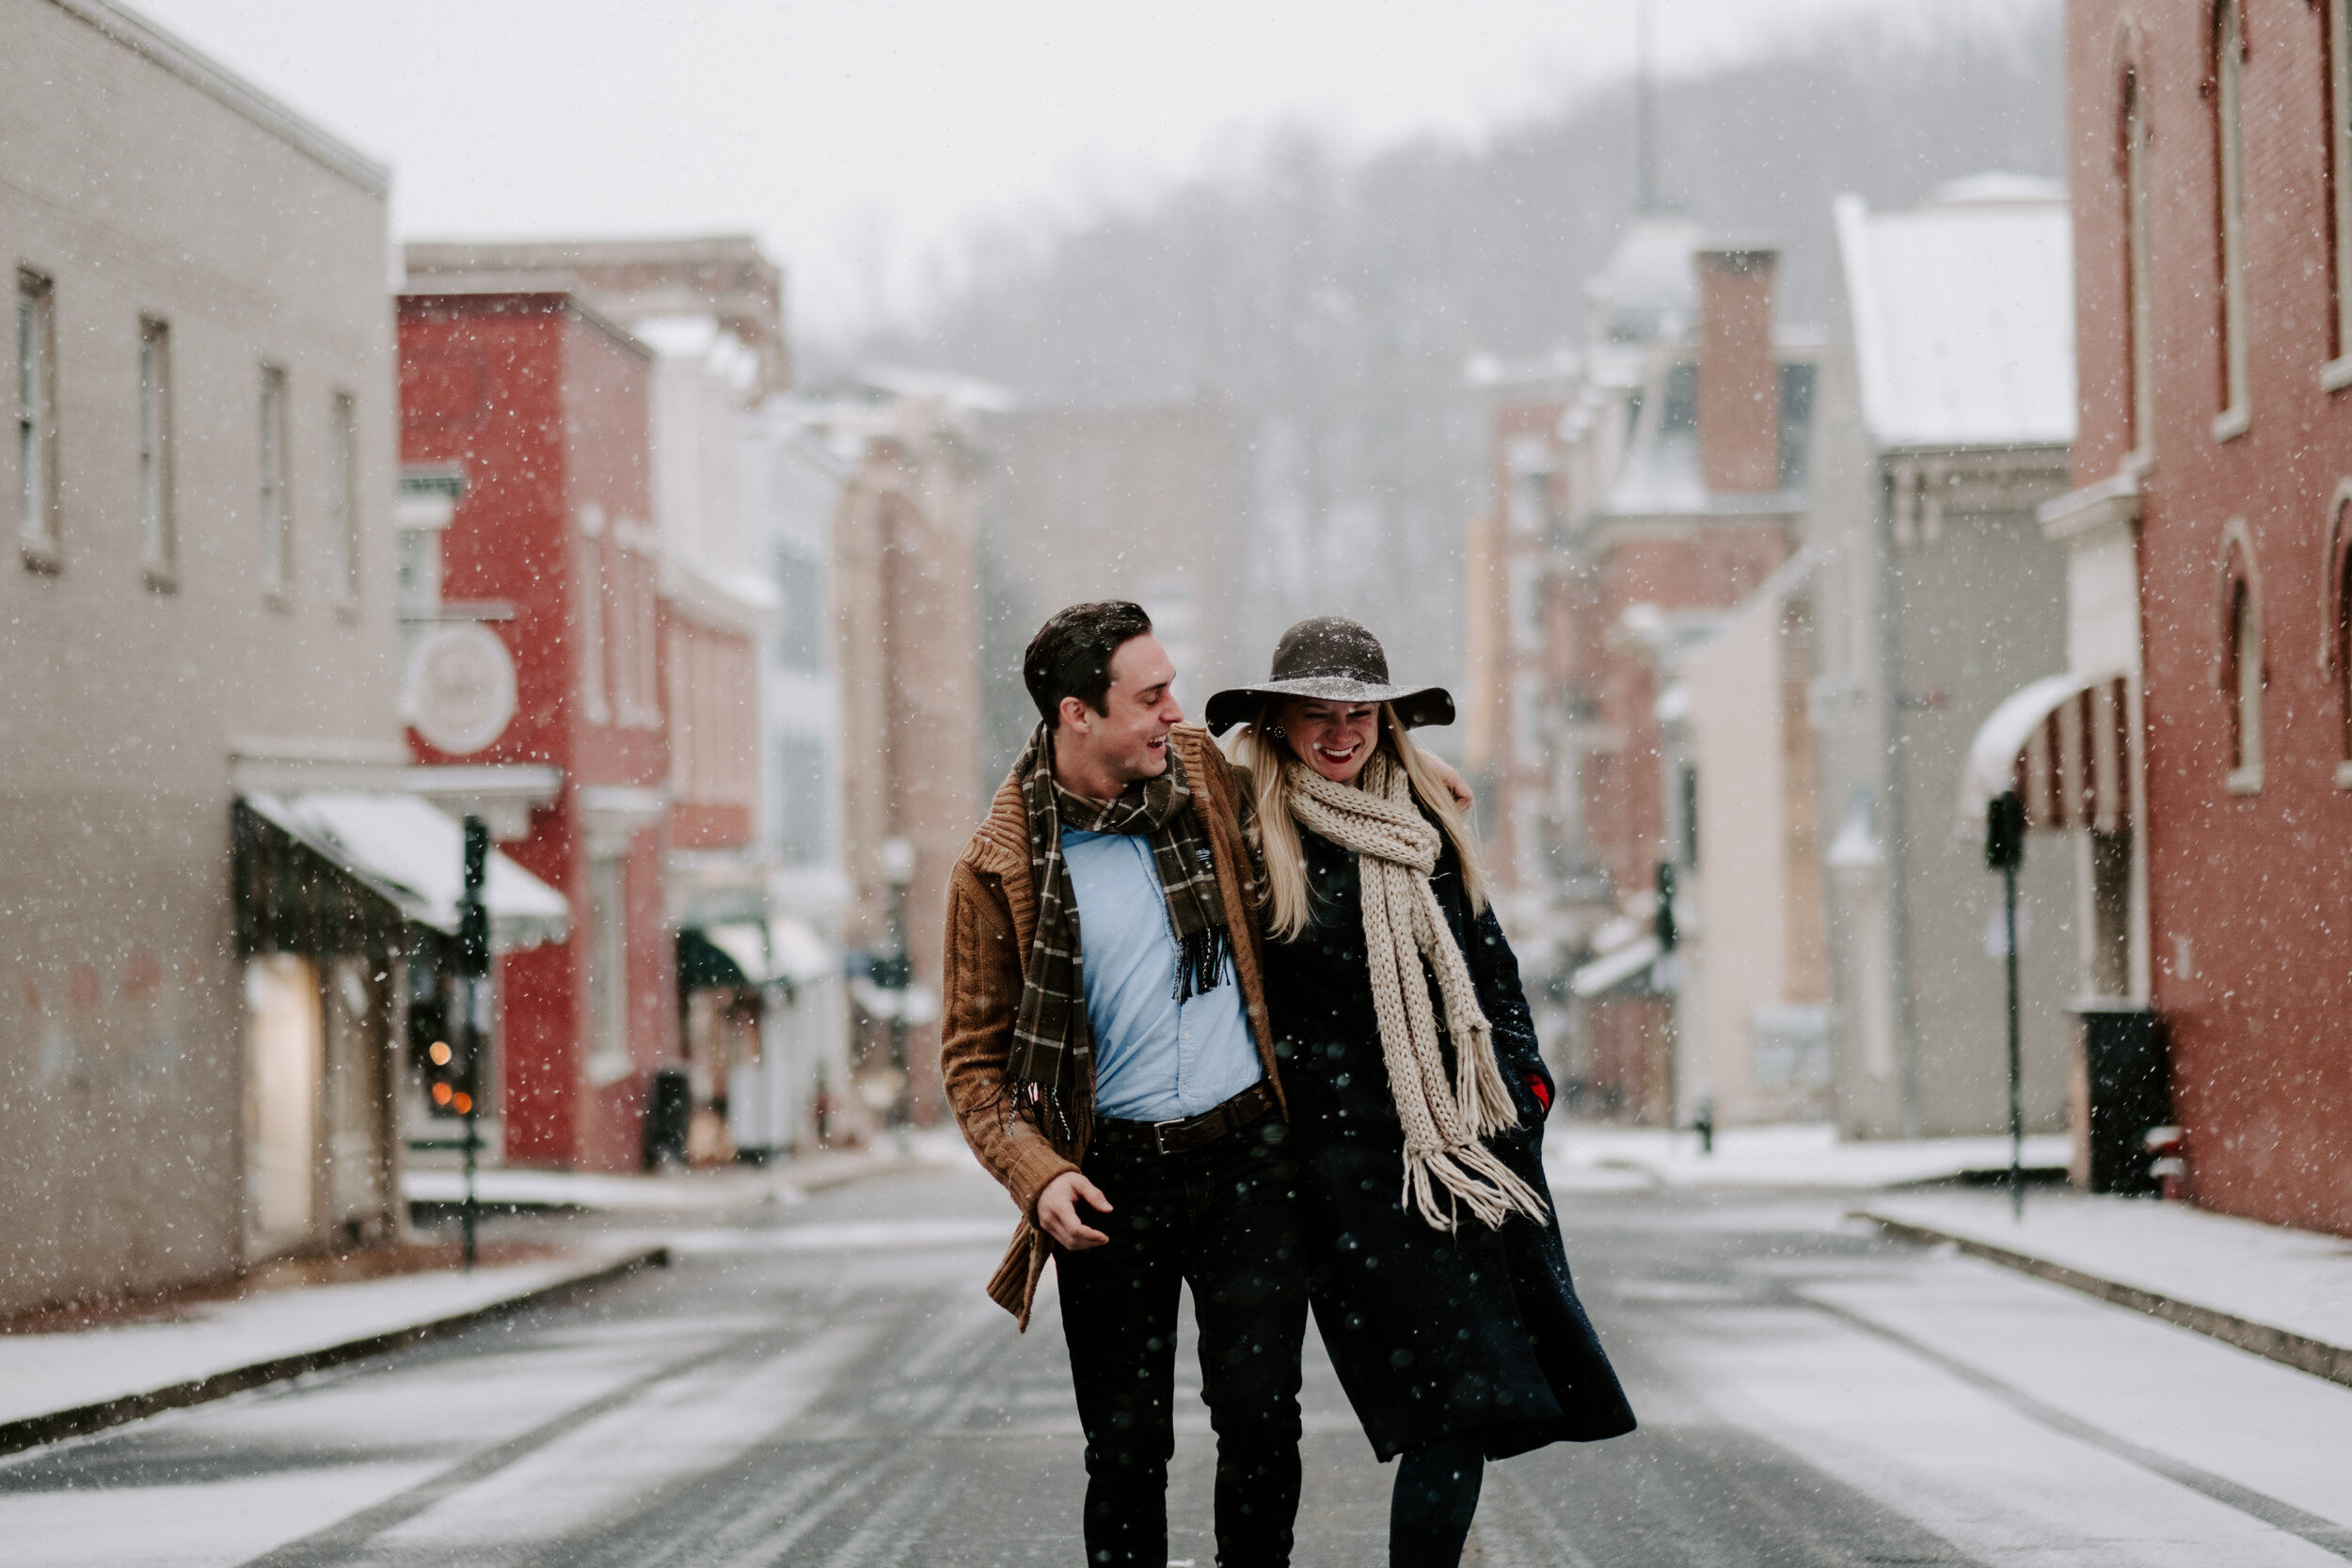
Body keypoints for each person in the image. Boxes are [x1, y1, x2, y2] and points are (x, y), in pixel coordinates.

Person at [1206, 616, 1638, 1568]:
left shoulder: (1425, 825)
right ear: (1274, 722)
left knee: (1464, 1402)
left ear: (1388, 719)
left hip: (1454, 1155)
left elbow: (1491, 970)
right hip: (1341, 1174)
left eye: (1359, 712)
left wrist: (1522, 1089)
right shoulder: (1246, 830)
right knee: (1399, 1402)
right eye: (1313, 715)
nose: (1338, 733)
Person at [939, 601, 1307, 1568]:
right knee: (1127, 1448)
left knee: (1264, 1422)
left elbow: (1321, 771)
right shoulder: (1000, 866)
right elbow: (972, 1060)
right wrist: (1037, 1172)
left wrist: (1421, 776)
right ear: (1076, 715)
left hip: (1247, 1159)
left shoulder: (1203, 779)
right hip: (1108, 1183)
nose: (1173, 711)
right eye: (1149, 696)